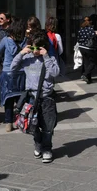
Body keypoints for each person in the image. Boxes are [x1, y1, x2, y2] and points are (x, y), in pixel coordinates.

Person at [11, 29, 60, 163]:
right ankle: (38, 143)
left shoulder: (50, 58)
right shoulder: (28, 58)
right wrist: (21, 53)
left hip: (47, 97)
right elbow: (12, 67)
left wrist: (46, 57)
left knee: (48, 126)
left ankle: (47, 148)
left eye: (38, 47)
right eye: (33, 47)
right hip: (32, 97)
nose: (35, 51)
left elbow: (56, 73)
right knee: (32, 125)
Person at [0, 19, 27, 132]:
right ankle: (21, 120)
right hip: (21, 72)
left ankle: (8, 123)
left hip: (8, 72)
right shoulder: (25, 41)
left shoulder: (5, 40)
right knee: (21, 99)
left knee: (8, 99)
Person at [77, 17, 97, 84]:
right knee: (92, 63)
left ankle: (88, 79)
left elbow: (78, 38)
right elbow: (93, 36)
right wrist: (96, 33)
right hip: (88, 48)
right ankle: (85, 74)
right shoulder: (90, 29)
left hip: (81, 47)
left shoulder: (80, 30)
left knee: (86, 62)